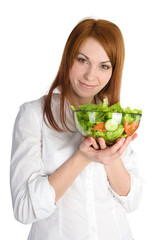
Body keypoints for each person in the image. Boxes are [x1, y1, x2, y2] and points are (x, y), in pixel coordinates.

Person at [10, 18, 143, 240]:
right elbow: (24, 209)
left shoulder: (115, 119)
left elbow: (132, 200)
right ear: (68, 58)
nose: (91, 75)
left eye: (104, 66)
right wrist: (81, 158)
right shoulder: (33, 115)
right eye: (83, 60)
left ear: (114, 70)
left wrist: (111, 157)